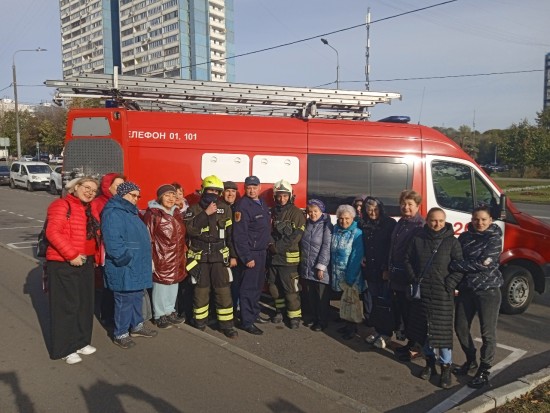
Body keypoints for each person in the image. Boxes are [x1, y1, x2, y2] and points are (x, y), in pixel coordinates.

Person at [404, 207, 463, 389]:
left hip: (442, 295)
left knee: (443, 336)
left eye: (440, 221)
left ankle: (446, 368)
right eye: (433, 220)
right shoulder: (418, 239)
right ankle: (430, 364)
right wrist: (414, 279)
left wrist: (449, 284)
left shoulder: (452, 242)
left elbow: (459, 267)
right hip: (423, 294)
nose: (436, 224)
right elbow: (407, 259)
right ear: (427, 221)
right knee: (424, 332)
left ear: (445, 221)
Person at [46, 176, 101, 364]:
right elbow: (52, 232)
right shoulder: (61, 205)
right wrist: (71, 255)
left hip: (86, 262)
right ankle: (64, 349)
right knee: (66, 307)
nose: (90, 192)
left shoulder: (89, 208)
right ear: (75, 187)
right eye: (87, 187)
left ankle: (80, 342)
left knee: (84, 305)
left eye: (94, 190)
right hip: (64, 263)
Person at [449, 205, 503, 389]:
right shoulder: (464, 237)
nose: (479, 223)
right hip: (467, 290)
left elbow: (483, 264)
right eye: (476, 219)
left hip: (488, 291)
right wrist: (459, 264)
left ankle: (484, 369)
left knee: (487, 333)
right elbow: (454, 257)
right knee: (460, 328)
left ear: (490, 220)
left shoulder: (494, 239)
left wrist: (458, 266)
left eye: (483, 219)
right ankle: (471, 361)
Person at [102, 182, 158, 349]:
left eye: (137, 196)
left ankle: (136, 326)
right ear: (122, 194)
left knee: (136, 297)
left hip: (136, 264)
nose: (136, 199)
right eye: (133, 195)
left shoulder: (129, 212)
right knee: (124, 300)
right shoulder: (114, 213)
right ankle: (120, 333)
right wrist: (125, 259)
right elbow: (113, 242)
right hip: (125, 266)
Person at [184, 175, 238, 339]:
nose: (213, 193)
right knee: (201, 291)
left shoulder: (226, 209)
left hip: (219, 257)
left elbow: (230, 235)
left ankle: (227, 325)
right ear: (203, 190)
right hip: (200, 257)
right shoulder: (193, 209)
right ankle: (200, 322)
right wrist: (205, 214)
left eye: (216, 191)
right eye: (210, 190)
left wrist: (233, 256)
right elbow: (190, 230)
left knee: (223, 292)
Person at [142, 184, 188, 329]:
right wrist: (149, 258)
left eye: (173, 195)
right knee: (161, 287)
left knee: (173, 284)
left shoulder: (177, 213)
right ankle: (159, 314)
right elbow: (147, 237)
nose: (170, 198)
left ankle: (169, 311)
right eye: (167, 195)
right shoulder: (153, 214)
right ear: (160, 197)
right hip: (161, 257)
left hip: (177, 256)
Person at [389, 189, 425, 360]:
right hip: (397, 275)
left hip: (409, 277)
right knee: (404, 311)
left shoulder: (420, 226)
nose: (406, 207)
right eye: (403, 203)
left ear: (418, 206)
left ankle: (417, 346)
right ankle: (410, 343)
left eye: (410, 204)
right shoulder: (401, 222)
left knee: (413, 313)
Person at [233, 175, 271, 335]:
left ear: (259, 187)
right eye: (249, 187)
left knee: (257, 287)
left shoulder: (261, 202)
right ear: (245, 188)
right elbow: (239, 235)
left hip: (262, 252)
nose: (252, 190)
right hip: (251, 253)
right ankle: (247, 321)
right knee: (248, 288)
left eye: (255, 187)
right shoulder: (243, 206)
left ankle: (254, 314)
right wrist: (246, 257)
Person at [266, 180, 306, 329]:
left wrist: (277, 247)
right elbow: (267, 230)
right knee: (274, 288)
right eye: (279, 196)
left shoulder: (296, 213)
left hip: (289, 259)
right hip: (274, 258)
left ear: (290, 196)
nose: (281, 199)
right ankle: (279, 311)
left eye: (284, 196)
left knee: (290, 290)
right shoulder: (272, 212)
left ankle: (294, 317)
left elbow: (296, 235)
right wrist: (270, 244)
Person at [361, 197, 397, 349]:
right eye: (369, 210)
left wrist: (386, 268)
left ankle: (386, 334)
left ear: (381, 209)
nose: (373, 213)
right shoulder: (364, 224)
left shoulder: (389, 224)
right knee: (374, 302)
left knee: (385, 302)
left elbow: (391, 249)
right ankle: (377, 330)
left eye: (375, 209)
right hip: (370, 269)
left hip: (383, 270)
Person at [91, 173, 126, 326]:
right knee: (109, 286)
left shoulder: (124, 202)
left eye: (122, 186)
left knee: (117, 285)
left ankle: (116, 316)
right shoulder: (98, 203)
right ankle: (107, 317)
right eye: (117, 185)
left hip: (121, 249)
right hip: (105, 251)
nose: (120, 189)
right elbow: (95, 228)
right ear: (107, 186)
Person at [331, 204, 365, 340]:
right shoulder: (336, 230)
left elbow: (356, 256)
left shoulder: (357, 233)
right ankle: (346, 324)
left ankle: (352, 328)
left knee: (351, 301)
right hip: (337, 273)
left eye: (347, 218)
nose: (343, 221)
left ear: (353, 218)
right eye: (341, 218)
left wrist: (350, 277)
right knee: (344, 300)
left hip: (351, 274)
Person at [299, 199, 333, 331]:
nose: (312, 214)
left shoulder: (326, 226)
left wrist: (321, 267)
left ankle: (322, 321)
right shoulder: (307, 224)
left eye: (315, 211)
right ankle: (314, 317)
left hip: (319, 268)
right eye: (310, 211)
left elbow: (326, 247)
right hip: (307, 266)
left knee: (321, 298)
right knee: (312, 296)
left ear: (321, 211)